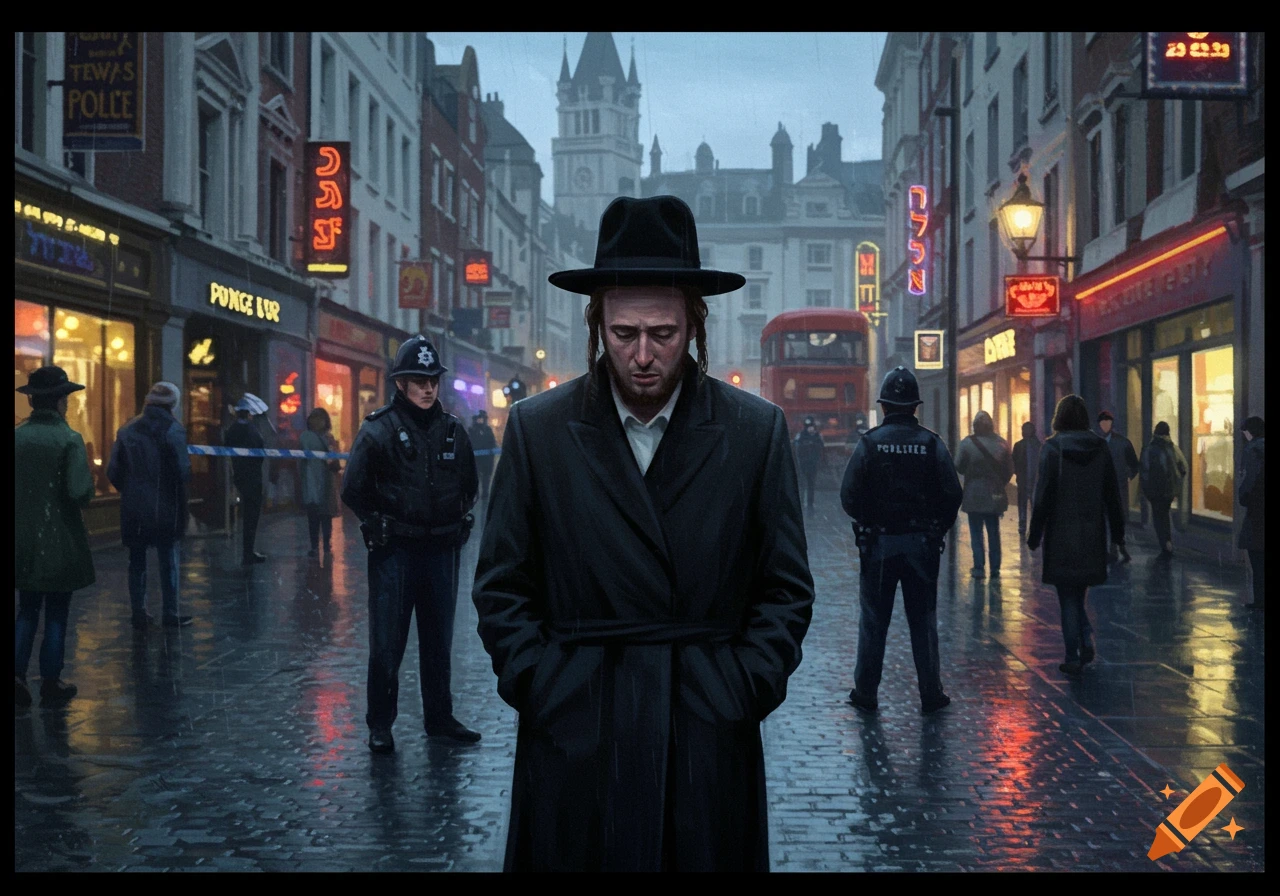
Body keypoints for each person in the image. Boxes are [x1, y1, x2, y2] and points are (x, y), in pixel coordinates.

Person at [472, 195, 815, 871]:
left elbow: (785, 589)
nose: (644, 355)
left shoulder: (754, 432)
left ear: (695, 325)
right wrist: (546, 686)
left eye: (663, 333)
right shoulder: (539, 431)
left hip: (704, 734)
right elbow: (501, 586)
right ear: (598, 325)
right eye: (624, 334)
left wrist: (738, 690)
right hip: (578, 733)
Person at [342, 335, 481, 753]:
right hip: (395, 552)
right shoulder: (379, 429)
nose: (428, 388)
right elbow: (353, 489)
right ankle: (380, 725)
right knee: (387, 643)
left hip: (440, 550)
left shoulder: (453, 430)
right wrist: (376, 521)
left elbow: (470, 485)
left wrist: (455, 518)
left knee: (438, 642)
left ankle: (439, 718)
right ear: (400, 384)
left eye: (432, 380)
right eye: (418, 380)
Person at [841, 366, 962, 717]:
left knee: (874, 621)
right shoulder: (931, 443)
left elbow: (848, 495)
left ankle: (866, 691)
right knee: (923, 621)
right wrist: (937, 527)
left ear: (884, 406)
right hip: (921, 545)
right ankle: (930, 692)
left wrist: (867, 520)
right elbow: (952, 493)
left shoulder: (870, 443)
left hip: (879, 545)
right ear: (914, 406)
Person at [1028, 395, 1126, 676]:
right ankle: (1084, 638)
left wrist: (1035, 534)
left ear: (1059, 418)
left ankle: (1074, 653)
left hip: (1061, 533)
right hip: (1092, 532)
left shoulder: (1052, 448)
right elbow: (1112, 495)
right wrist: (1118, 533)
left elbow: (1042, 496)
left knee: (1067, 596)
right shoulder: (1100, 447)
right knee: (1078, 592)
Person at [15, 366, 96, 706]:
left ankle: (16, 673)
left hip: (21, 537)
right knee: (57, 613)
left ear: (33, 401)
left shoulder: (16, 437)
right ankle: (51, 679)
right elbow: (79, 491)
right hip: (59, 539)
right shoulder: (69, 439)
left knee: (27, 609)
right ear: (61, 401)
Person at [107, 380, 194, 629]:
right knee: (169, 559)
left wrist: (132, 490)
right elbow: (183, 470)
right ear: (172, 405)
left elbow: (113, 471)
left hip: (134, 507)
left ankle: (139, 612)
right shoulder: (174, 430)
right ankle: (170, 612)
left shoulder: (127, 430)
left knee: (137, 560)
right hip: (166, 505)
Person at [954, 410, 1014, 579]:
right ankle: (995, 567)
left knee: (976, 532)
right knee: (994, 531)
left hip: (973, 492)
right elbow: (1009, 470)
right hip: (994, 493)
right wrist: (999, 483)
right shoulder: (1002, 443)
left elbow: (958, 466)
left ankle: (979, 566)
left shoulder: (967, 443)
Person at [225, 394, 268, 566]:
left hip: (238, 476)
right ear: (249, 413)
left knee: (245, 515)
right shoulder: (252, 431)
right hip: (252, 478)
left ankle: (246, 551)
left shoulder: (232, 430)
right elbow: (259, 453)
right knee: (251, 516)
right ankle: (247, 552)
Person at [1139, 421, 1188, 555]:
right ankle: (1167, 541)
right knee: (1164, 514)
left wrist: (1145, 489)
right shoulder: (1172, 448)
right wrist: (1176, 482)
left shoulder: (1148, 449)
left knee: (1157, 516)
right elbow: (1183, 467)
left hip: (1154, 491)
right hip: (1168, 490)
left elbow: (1143, 470)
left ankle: (1164, 542)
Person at [1097, 410, 1138, 563]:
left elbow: (1134, 464)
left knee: (1118, 518)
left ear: (1111, 423)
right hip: (1102, 488)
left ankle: (1117, 547)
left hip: (1119, 486)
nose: (1105, 425)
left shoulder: (1123, 442)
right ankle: (1115, 548)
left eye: (1107, 422)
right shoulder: (1096, 442)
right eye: (1102, 423)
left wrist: (1128, 477)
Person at [300, 407, 340, 557]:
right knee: (325, 517)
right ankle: (326, 546)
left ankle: (315, 547)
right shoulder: (328, 439)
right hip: (326, 482)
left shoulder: (305, 437)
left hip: (311, 482)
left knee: (314, 516)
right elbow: (334, 463)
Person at [1237, 416, 1264, 609]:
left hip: (1257, 509)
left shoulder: (1253, 450)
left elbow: (1249, 481)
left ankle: (1260, 600)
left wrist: (1244, 496)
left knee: (1257, 556)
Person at [1011, 421, 1042, 536]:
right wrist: (1018, 474)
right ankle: (1022, 525)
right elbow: (1013, 462)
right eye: (1024, 429)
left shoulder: (1038, 446)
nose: (1026, 432)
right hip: (1023, 480)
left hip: (1035, 480)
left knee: (1034, 504)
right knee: (1023, 504)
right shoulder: (1019, 445)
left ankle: (1034, 526)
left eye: (1028, 429)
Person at [468, 409, 499, 512]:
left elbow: (492, 443)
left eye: (482, 419)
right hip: (475, 460)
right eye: (478, 419)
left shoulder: (488, 430)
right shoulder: (471, 430)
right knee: (474, 478)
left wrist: (491, 451)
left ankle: (485, 494)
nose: (480, 421)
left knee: (486, 478)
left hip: (486, 461)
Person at [795, 415, 825, 511]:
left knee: (810, 483)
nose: (810, 428)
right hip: (804, 463)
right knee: (803, 484)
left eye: (811, 426)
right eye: (808, 426)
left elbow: (821, 446)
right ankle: (801, 502)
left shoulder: (817, 436)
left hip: (812, 463)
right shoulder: (801, 435)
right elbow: (796, 447)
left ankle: (810, 503)